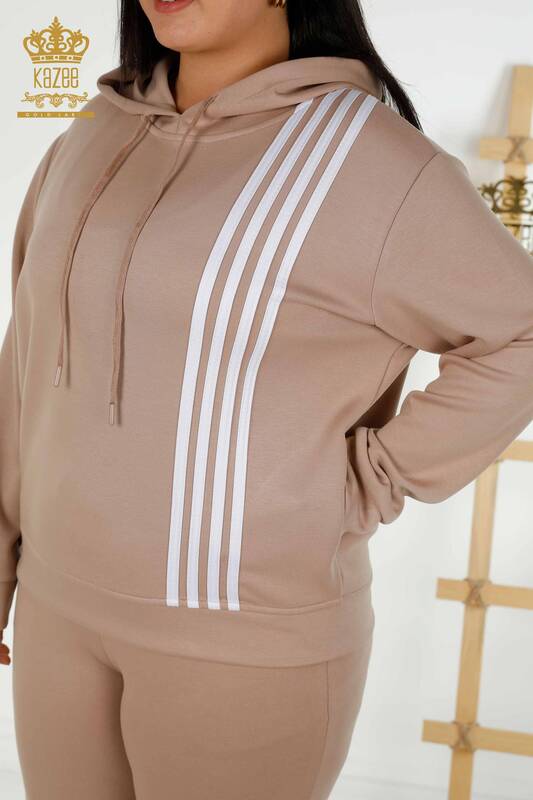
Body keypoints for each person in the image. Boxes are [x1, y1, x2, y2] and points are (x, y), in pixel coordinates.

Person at [1, 1, 533, 798]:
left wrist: (361, 484)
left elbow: (519, 332)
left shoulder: (375, 164)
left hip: (243, 641)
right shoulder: (95, 131)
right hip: (54, 612)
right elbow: (27, 353)